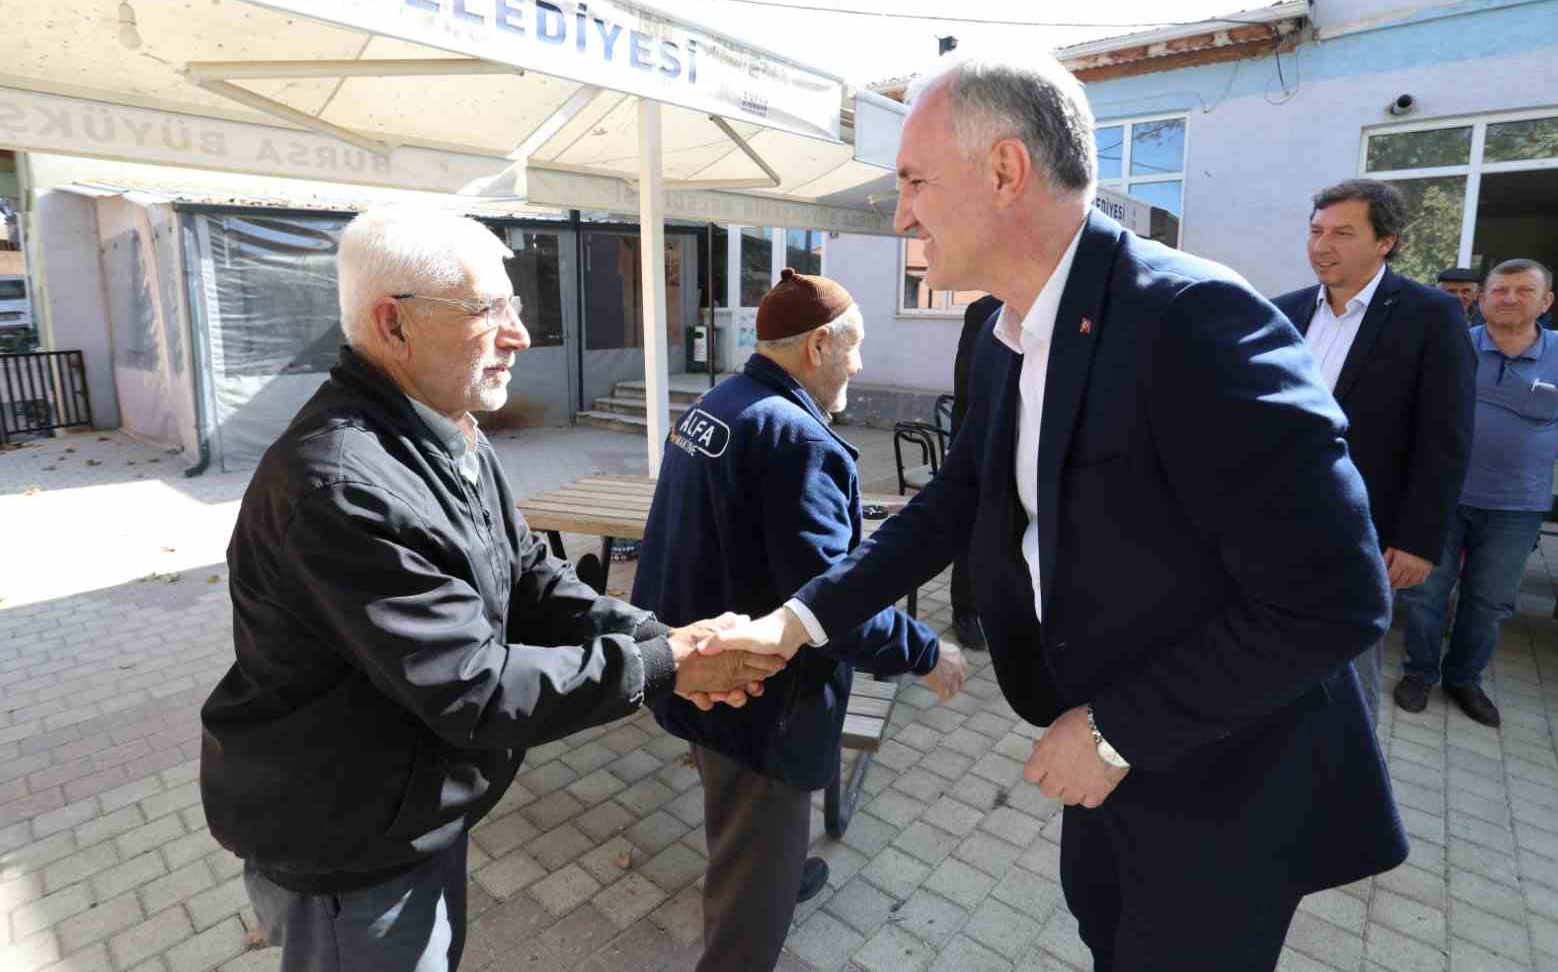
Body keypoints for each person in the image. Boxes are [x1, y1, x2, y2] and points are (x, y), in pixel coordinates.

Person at [701, 53, 1407, 971]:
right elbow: (959, 499)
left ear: (1004, 171)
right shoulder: (1004, 329)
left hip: (1227, 779)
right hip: (1104, 753)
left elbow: (1337, 601)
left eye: (915, 180)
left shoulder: (1193, 321)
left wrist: (1120, 731)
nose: (901, 211)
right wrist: (797, 622)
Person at [199, 208, 783, 972]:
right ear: (393, 325)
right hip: (350, 841)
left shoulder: (444, 428)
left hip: (413, 810)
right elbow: (474, 687)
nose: (518, 334)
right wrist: (668, 664)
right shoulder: (342, 485)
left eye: (514, 304)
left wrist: (657, 636)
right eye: (486, 310)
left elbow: (531, 581)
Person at [631, 269, 965, 972]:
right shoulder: (796, 440)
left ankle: (779, 869)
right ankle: (759, 902)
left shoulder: (718, 403)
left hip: (700, 678)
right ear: (818, 346)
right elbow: (831, 605)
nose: (861, 363)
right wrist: (925, 649)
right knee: (754, 873)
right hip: (760, 705)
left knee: (740, 815)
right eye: (856, 347)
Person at [1273, 179, 1475, 722]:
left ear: (1385, 242)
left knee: (1349, 670)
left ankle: (1348, 777)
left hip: (1364, 529)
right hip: (1274, 523)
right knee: (1270, 655)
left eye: (1342, 233)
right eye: (1316, 231)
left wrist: (1418, 540)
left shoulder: (1430, 316)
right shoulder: (1283, 312)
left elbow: (1445, 437)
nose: (1321, 246)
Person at [1397, 259, 1558, 725]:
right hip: (1441, 499)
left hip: (1517, 506)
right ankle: (1419, 673)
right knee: (1426, 595)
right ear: (1481, 299)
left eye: (1523, 290)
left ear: (1545, 302)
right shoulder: (1452, 347)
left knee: (1489, 603)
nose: (1509, 298)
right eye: (1500, 290)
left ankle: (1464, 680)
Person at [947, 294, 1003, 651]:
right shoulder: (984, 311)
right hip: (981, 440)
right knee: (972, 527)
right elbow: (965, 387)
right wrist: (961, 449)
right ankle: (965, 610)